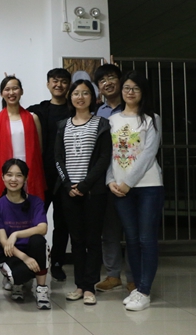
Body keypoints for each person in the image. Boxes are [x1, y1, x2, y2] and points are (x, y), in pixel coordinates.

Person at [107, 71, 164, 311]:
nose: (130, 92)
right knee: (131, 240)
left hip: (148, 186)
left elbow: (149, 154)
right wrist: (110, 180)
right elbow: (110, 153)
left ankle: (145, 291)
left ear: (143, 92)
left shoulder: (151, 119)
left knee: (146, 239)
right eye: (127, 88)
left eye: (135, 88)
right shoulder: (113, 119)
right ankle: (138, 288)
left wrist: (128, 182)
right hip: (120, 189)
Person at [54, 79, 111, 305]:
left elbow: (104, 158)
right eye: (76, 93)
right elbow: (58, 158)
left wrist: (85, 185)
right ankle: (79, 285)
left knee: (92, 240)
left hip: (93, 191)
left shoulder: (101, 124)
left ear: (93, 98)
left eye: (85, 93)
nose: (80, 97)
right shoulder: (63, 125)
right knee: (76, 240)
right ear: (70, 97)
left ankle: (90, 287)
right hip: (69, 192)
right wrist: (68, 185)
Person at [93, 64, 134, 293]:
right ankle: (112, 275)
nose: (107, 83)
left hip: (130, 177)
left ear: (120, 80)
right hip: (105, 178)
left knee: (132, 230)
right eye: (102, 81)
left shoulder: (132, 108)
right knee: (109, 230)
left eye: (111, 78)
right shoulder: (97, 112)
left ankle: (134, 276)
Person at [27, 68, 71, 282]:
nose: (58, 85)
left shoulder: (74, 109)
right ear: (48, 84)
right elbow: (15, 113)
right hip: (42, 176)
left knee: (62, 223)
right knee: (34, 222)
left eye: (63, 81)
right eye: (55, 81)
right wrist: (11, 85)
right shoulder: (39, 110)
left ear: (68, 85)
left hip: (67, 178)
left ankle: (57, 263)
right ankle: (31, 263)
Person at [0, 159, 50, 310]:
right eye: (9, 175)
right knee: (18, 276)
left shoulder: (35, 202)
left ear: (25, 178)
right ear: (2, 177)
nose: (13, 179)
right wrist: (25, 258)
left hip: (32, 251)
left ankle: (41, 289)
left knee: (39, 241)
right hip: (10, 254)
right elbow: (4, 242)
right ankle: (16, 283)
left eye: (19, 175)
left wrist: (16, 234)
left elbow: (42, 228)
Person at [0, 76, 45, 202]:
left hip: (28, 173)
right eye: (7, 89)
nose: (11, 93)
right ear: (2, 93)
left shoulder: (33, 118)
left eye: (15, 88)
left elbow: (39, 150)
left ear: (21, 91)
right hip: (6, 173)